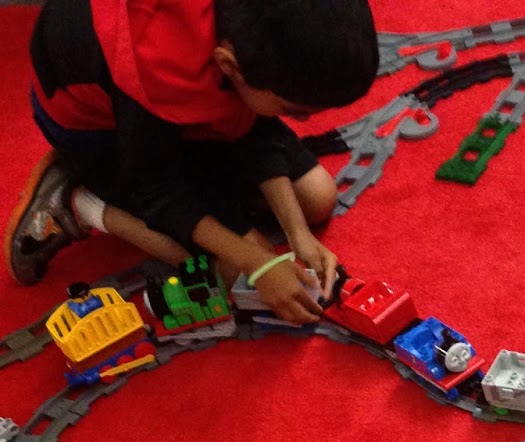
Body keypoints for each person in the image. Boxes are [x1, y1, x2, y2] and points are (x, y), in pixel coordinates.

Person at [6, 0, 379, 324]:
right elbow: (156, 189)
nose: (304, 121)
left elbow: (255, 126)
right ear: (228, 65)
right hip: (105, 137)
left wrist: (298, 233)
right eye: (293, 110)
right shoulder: (159, 66)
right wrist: (257, 263)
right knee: (236, 274)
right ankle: (80, 201)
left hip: (189, 107)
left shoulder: (247, 46)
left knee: (317, 197)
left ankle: (224, 196)